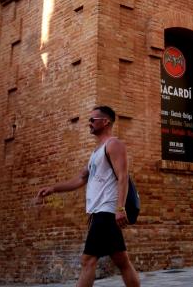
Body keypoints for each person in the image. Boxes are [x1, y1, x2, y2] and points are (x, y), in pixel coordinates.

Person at [37, 106, 140, 286]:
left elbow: (123, 177)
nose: (89, 123)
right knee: (122, 261)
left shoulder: (114, 144)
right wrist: (53, 188)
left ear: (105, 121)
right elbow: (80, 178)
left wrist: (120, 208)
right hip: (100, 212)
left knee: (88, 260)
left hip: (106, 211)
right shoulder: (96, 152)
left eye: (93, 120)